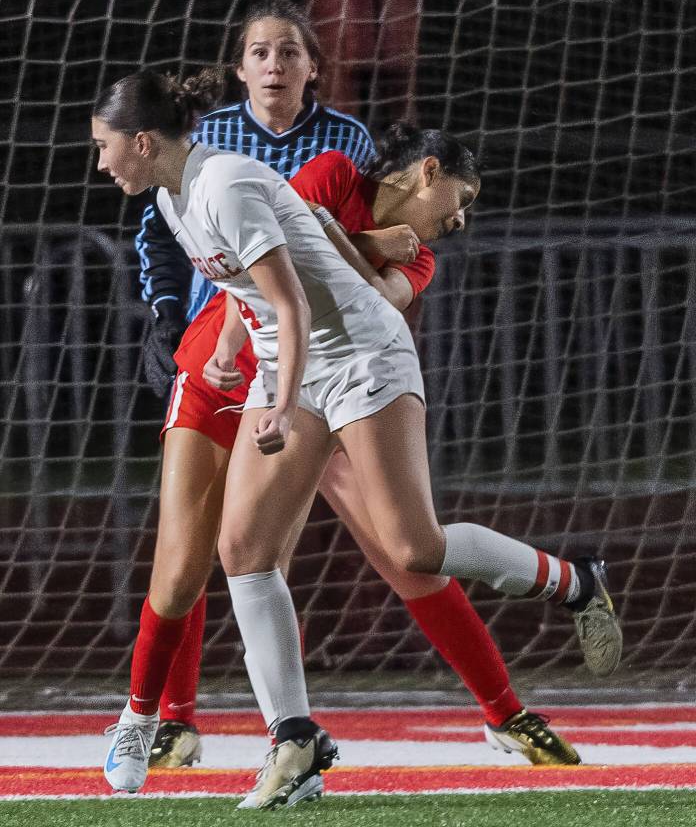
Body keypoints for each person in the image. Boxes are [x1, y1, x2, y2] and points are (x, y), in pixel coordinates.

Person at [93, 71, 622, 807]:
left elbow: (299, 294)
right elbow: (259, 283)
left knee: (414, 551)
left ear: (141, 141)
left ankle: (571, 583)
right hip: (292, 362)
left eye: (103, 145)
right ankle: (294, 740)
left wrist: (274, 402)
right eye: (460, 201)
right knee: (242, 550)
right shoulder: (179, 196)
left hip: (362, 360)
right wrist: (229, 353)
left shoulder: (226, 185)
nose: (99, 160)